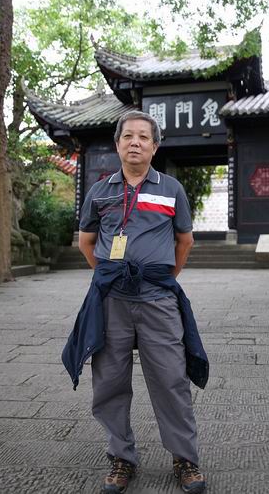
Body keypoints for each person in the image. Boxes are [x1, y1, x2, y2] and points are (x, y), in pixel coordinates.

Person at [62, 111, 209, 494]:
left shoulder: (171, 189)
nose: (135, 142)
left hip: (158, 300)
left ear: (154, 146)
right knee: (109, 381)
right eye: (128, 136)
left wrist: (163, 277)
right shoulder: (100, 191)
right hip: (112, 302)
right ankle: (121, 457)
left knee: (171, 379)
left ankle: (184, 458)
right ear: (117, 144)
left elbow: (185, 241)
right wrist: (110, 274)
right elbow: (86, 241)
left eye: (144, 137)